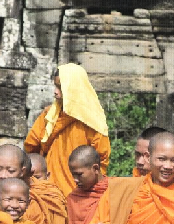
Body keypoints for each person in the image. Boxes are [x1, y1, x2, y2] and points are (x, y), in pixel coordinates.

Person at [24, 63, 111, 198]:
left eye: (60, 87)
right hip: (47, 191)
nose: (55, 92)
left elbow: (101, 161)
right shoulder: (50, 115)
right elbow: (31, 147)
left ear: (73, 89)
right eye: (55, 86)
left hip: (81, 193)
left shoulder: (93, 121)